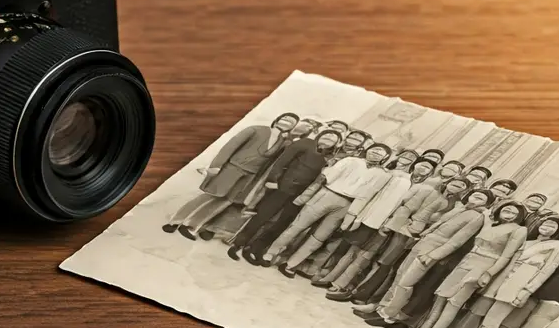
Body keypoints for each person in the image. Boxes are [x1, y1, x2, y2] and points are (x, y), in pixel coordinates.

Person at [355, 188, 495, 328]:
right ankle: (382, 306)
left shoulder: (477, 217)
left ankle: (389, 313)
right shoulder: (460, 209)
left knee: (407, 282)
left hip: (433, 249)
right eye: (474, 195)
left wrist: (434, 255)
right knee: (400, 274)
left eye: (481, 198)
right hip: (424, 242)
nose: (475, 199)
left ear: (487, 204)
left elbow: (457, 241)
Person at [443, 215, 559, 328]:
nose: (547, 227)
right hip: (500, 282)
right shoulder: (527, 241)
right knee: (485, 320)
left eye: (553, 226)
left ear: (558, 230)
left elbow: (546, 270)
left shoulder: (558, 246)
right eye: (546, 223)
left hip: (518, 285)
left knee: (492, 322)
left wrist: (527, 291)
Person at [399, 200, 528, 328]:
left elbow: (506, 256)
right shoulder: (491, 223)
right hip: (467, 261)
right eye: (507, 209)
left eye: (514, 212)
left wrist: (489, 273)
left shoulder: (519, 230)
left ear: (519, 216)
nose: (509, 213)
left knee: (454, 302)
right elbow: (486, 219)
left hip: (484, 266)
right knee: (441, 296)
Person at [260, 143, 392, 277]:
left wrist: (353, 216)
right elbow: (325, 177)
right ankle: (270, 254)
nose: (376, 153)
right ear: (367, 150)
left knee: (319, 237)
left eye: (380, 152)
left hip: (347, 205)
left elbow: (367, 195)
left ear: (386, 157)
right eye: (374, 149)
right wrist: (307, 195)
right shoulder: (350, 160)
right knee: (297, 227)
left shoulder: (384, 175)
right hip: (327, 194)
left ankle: (291, 264)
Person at [162, 112, 298, 239]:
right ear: (278, 119)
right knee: (208, 197)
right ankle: (175, 221)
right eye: (285, 118)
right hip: (232, 168)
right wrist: (216, 166)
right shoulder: (256, 130)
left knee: (224, 202)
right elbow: (230, 147)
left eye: (291, 122)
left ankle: (191, 226)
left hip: (249, 175)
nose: (287, 122)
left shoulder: (283, 142)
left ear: (293, 127)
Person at [344, 175, 470, 305]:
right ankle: (355, 287)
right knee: (378, 258)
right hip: (401, 227)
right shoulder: (431, 192)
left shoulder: (456, 206)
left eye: (462, 185)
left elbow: (440, 222)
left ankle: (365, 294)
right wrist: (393, 223)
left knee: (388, 264)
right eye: (455, 182)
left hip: (416, 236)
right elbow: (408, 207)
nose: (457, 186)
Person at [313, 152, 429, 292]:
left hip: (393, 227)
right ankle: (330, 276)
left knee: (365, 256)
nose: (422, 169)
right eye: (421, 164)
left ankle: (341, 284)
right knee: (352, 249)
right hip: (373, 219)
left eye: (428, 167)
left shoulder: (426, 188)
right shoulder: (395, 176)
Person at [226, 129, 340, 261]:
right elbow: (282, 161)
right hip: (282, 186)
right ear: (320, 135)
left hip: (300, 194)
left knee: (281, 223)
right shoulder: (305, 143)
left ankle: (254, 248)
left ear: (336, 144)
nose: (329, 138)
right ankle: (237, 244)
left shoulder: (330, 157)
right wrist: (272, 179)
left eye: (333, 139)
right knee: (263, 216)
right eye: (327, 135)